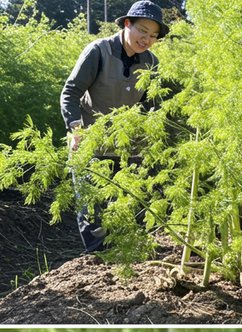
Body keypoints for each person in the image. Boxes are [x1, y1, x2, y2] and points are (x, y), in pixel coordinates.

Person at [60, 1, 169, 253]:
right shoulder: (98, 51)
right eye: (143, 31)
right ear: (127, 24)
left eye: (153, 35)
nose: (147, 39)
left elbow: (153, 104)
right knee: (93, 210)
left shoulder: (151, 62)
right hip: (90, 142)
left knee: (129, 207)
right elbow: (71, 92)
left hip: (128, 146)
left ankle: (127, 259)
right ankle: (99, 261)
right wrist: (76, 129)